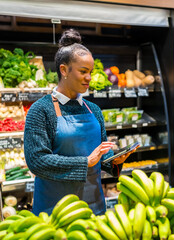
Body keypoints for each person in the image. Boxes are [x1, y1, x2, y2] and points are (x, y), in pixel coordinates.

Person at [24, 29, 134, 215]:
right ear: (64, 70)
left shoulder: (94, 110)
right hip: (56, 211)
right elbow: (37, 161)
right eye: (83, 72)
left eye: (90, 72)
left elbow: (99, 157)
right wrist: (85, 162)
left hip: (94, 207)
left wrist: (114, 160)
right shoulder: (41, 110)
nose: (89, 78)